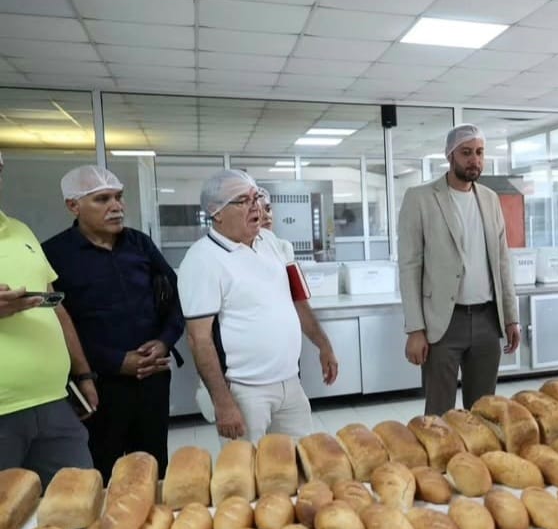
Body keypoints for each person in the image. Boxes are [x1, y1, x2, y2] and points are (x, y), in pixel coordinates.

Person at [43, 165, 184, 479]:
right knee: (100, 472)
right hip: (97, 385)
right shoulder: (54, 254)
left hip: (152, 378)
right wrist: (116, 362)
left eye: (118, 197)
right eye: (102, 199)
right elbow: (55, 324)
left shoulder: (140, 244)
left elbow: (175, 298)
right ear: (73, 205)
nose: (117, 206)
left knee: (151, 468)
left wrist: (165, 341)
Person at [178, 169, 338, 442]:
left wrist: (324, 345)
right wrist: (223, 402)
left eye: (257, 197)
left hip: (290, 382)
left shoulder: (270, 242)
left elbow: (297, 301)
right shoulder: (201, 259)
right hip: (244, 391)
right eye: (243, 201)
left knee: (299, 459)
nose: (256, 207)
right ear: (216, 212)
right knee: (247, 466)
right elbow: (198, 339)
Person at [397, 123, 521, 415]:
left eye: (479, 152)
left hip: (487, 319)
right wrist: (415, 329)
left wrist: (511, 317)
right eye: (466, 153)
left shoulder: (490, 199)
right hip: (443, 322)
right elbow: (409, 267)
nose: (474, 160)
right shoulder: (420, 198)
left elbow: (502, 262)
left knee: (484, 412)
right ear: (450, 155)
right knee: (439, 413)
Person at [0, 151, 95, 485]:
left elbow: (55, 306)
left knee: (80, 499)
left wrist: (84, 375)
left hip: (54, 401)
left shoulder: (20, 231)